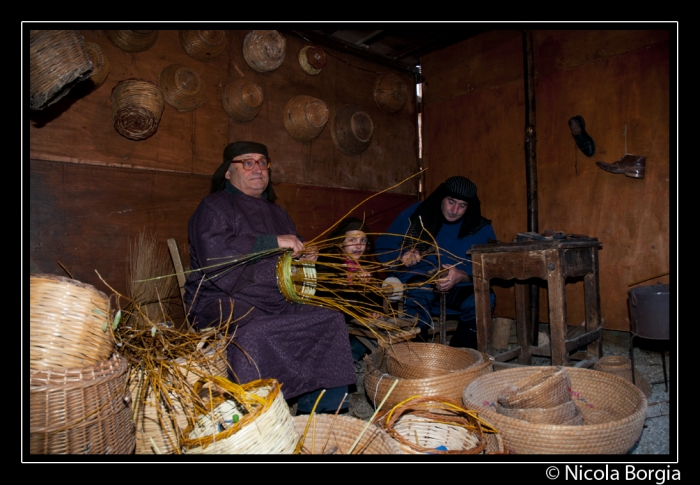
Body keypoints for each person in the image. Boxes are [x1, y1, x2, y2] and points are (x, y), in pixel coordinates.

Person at [183, 141, 356, 414]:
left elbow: (290, 252)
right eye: (247, 162)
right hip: (223, 298)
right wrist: (272, 242)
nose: (258, 169)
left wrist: (304, 255)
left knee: (330, 319)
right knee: (254, 331)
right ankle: (257, 413)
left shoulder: (277, 212)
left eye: (262, 162)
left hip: (275, 298)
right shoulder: (214, 206)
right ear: (228, 172)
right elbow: (215, 254)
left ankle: (322, 413)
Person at [375, 176, 496, 348]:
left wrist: (462, 276)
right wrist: (402, 254)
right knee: (419, 290)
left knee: (484, 298)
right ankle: (419, 357)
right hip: (419, 285)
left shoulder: (479, 227)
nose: (454, 210)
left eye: (462, 206)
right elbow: (383, 245)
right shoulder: (416, 214)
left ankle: (460, 356)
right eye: (451, 202)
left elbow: (488, 266)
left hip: (457, 287)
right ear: (442, 197)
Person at [316, 217, 384, 362]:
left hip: (357, 322)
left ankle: (348, 360)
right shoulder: (328, 262)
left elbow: (377, 298)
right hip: (333, 320)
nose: (358, 246)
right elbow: (331, 299)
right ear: (341, 242)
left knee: (379, 332)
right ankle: (341, 362)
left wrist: (374, 311)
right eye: (352, 240)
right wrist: (352, 282)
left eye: (363, 241)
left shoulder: (366, 265)